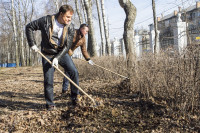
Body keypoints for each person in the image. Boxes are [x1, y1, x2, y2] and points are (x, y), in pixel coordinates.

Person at [25, 5, 79, 111]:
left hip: (61, 53)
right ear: (61, 14)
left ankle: (74, 98)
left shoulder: (71, 27)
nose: (69, 20)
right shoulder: (46, 20)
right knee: (48, 80)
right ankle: (50, 103)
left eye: (71, 17)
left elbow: (67, 46)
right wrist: (32, 44)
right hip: (47, 54)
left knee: (74, 72)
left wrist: (57, 58)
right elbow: (29, 27)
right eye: (68, 17)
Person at [62, 24, 94, 94]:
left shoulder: (83, 39)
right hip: (61, 51)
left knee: (69, 70)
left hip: (68, 54)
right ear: (81, 29)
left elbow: (84, 50)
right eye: (86, 31)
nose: (86, 33)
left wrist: (88, 59)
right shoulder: (72, 32)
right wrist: (69, 51)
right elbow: (65, 42)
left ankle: (65, 89)